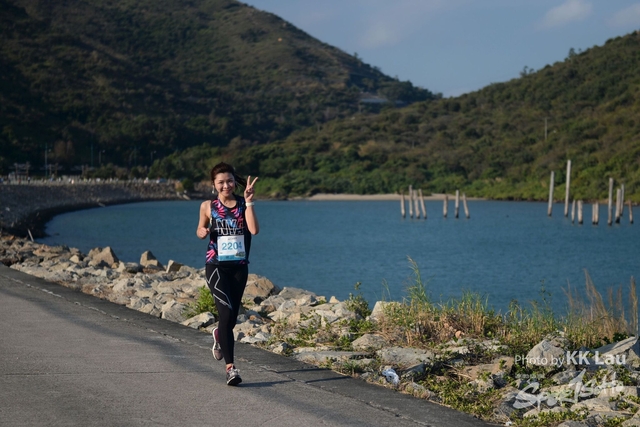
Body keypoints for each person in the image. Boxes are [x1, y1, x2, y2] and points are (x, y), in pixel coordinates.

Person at [196, 162, 259, 386]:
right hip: (216, 266)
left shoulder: (243, 204)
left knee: (231, 319)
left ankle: (218, 335)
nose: (226, 186)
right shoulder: (208, 206)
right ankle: (231, 368)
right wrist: (202, 231)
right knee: (226, 313)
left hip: (239, 268)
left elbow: (254, 230)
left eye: (230, 181)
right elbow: (200, 229)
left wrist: (249, 201)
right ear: (214, 184)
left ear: (234, 182)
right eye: (221, 182)